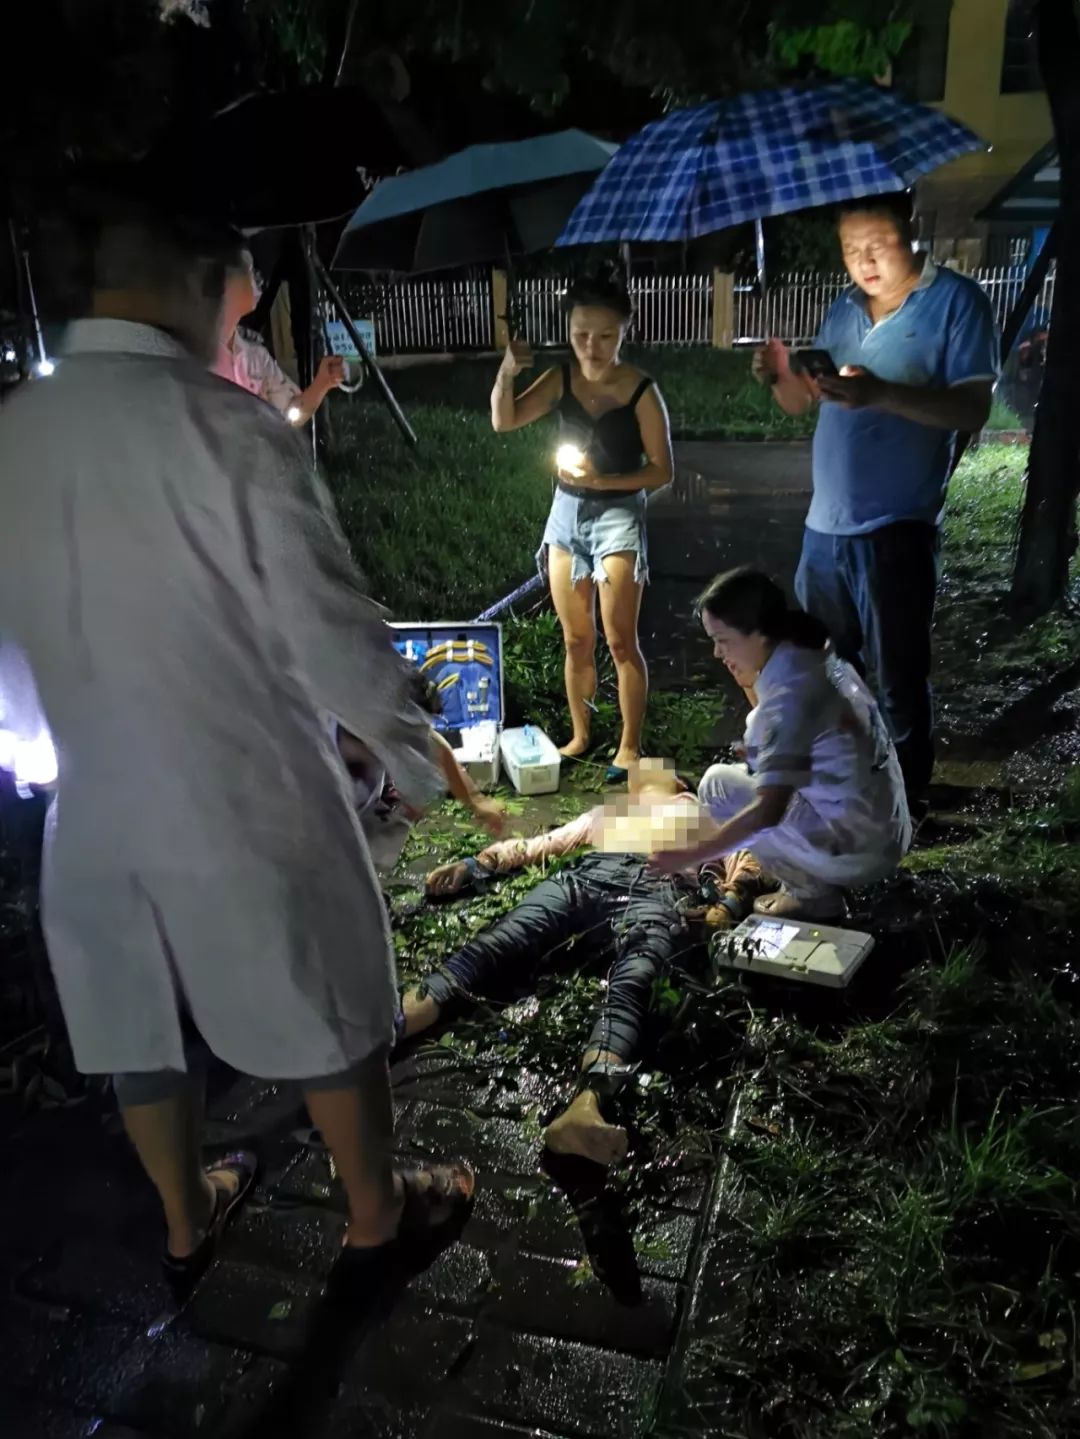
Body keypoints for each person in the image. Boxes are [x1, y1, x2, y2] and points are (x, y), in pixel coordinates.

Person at [0, 195, 472, 1291]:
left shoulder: (13, 428)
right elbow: (330, 629)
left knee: (134, 1023)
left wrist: (35, 743)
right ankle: (376, 1212)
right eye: (239, 297)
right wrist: (405, 752)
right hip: (249, 796)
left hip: (95, 803)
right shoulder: (225, 428)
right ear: (199, 279)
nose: (238, 325)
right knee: (330, 1003)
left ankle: (185, 1219)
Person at [752, 192, 999, 811]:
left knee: (897, 677)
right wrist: (781, 376)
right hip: (823, 529)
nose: (862, 261)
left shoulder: (957, 303)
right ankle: (848, 786)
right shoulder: (842, 310)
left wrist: (882, 393)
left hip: (897, 526)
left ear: (911, 230)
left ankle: (902, 805)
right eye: (848, 249)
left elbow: (972, 407)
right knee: (829, 670)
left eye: (876, 246)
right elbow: (803, 403)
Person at [400, 759, 769, 1166]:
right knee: (502, 942)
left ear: (680, 780)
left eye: (651, 768)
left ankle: (586, 1106)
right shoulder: (607, 813)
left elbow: (748, 862)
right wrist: (476, 864)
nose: (640, 772)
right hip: (585, 878)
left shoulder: (705, 812)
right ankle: (396, 1023)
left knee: (638, 979)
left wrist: (727, 902)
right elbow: (542, 844)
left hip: (661, 891)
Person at [491, 270, 674, 782]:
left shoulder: (641, 390)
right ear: (569, 330)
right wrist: (507, 372)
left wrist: (605, 479)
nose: (592, 347)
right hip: (566, 515)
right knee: (576, 639)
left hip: (618, 517)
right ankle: (580, 734)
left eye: (606, 336)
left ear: (624, 333)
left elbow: (662, 470)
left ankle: (629, 746)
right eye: (581, 335)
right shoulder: (560, 379)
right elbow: (504, 421)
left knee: (619, 640)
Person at [652, 570, 911, 921]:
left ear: (758, 633)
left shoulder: (787, 700)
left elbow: (767, 812)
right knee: (748, 772)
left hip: (858, 852)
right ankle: (812, 874)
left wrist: (687, 855)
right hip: (887, 827)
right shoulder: (813, 652)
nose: (716, 653)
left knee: (717, 785)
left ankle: (811, 895)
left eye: (723, 640)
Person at [215, 245, 345, 423]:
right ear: (225, 283)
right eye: (250, 271)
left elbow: (290, 413)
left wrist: (322, 383)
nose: (259, 280)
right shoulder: (192, 356)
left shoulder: (256, 356)